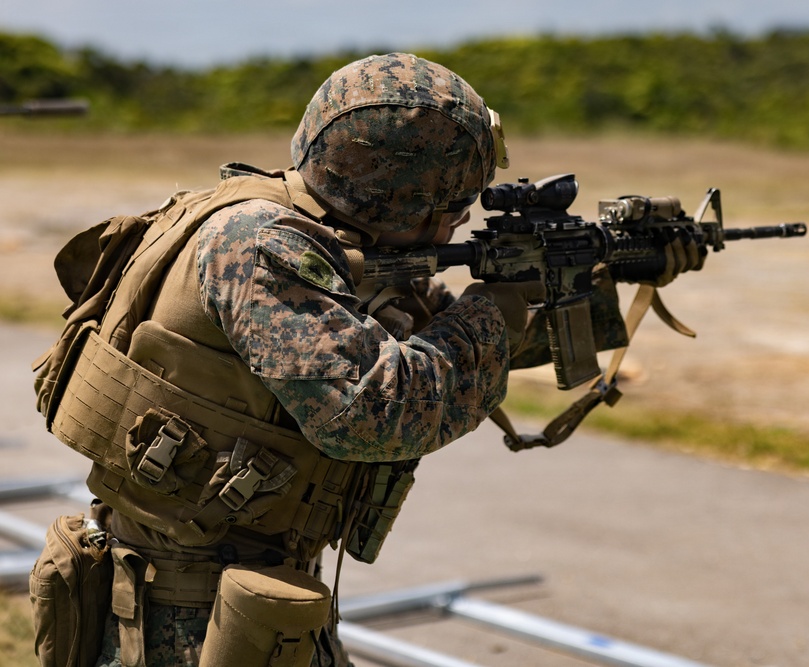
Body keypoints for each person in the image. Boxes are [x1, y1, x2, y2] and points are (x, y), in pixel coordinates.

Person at [30, 53, 702, 667]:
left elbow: (442, 335)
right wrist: (497, 304)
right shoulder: (261, 246)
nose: (455, 229)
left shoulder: (309, 233)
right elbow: (376, 411)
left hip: (227, 593)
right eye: (451, 208)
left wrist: (604, 279)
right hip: (188, 615)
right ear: (395, 192)